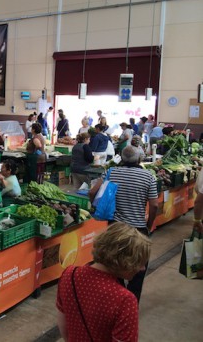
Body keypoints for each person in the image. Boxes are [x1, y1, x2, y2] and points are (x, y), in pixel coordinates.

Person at [56, 222, 151, 342]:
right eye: (139, 262)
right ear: (123, 260)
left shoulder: (69, 274)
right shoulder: (125, 300)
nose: (142, 268)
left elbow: (63, 324)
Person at [89, 145, 158, 301]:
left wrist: (96, 208)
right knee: (138, 270)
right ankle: (130, 304)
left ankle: (115, 300)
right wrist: (149, 224)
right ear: (139, 159)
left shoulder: (111, 172)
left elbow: (92, 192)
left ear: (121, 158)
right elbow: (154, 205)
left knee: (113, 266)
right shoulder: (148, 177)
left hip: (115, 228)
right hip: (138, 230)